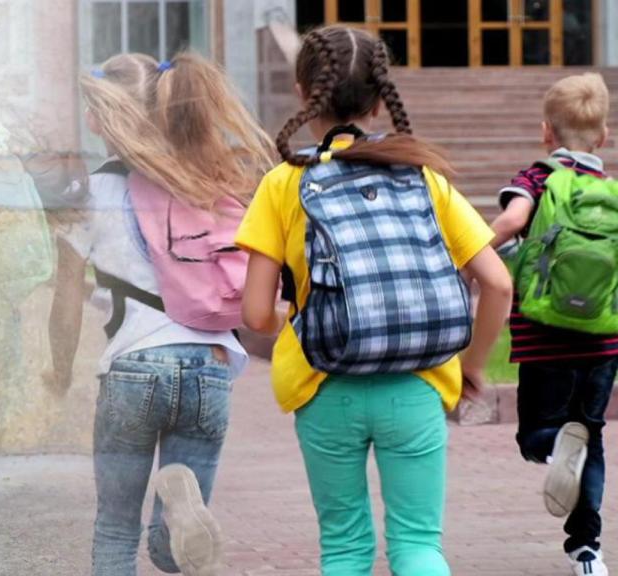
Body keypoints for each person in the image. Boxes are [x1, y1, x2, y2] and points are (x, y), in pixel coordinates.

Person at [238, 26, 512, 575]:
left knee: (344, 548)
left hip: (323, 384)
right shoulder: (421, 175)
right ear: (379, 98)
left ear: (302, 93)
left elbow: (254, 314)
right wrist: (472, 366)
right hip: (416, 384)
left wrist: (293, 321)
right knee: (418, 545)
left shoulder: (284, 183)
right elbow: (498, 283)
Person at [43, 52, 274, 575]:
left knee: (116, 529)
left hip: (134, 368)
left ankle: (175, 517)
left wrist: (60, 371)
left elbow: (66, 300)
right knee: (172, 554)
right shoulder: (206, 179)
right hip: (212, 362)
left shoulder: (92, 192)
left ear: (99, 117)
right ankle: (179, 514)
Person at [490, 72, 615, 575]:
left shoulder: (537, 178)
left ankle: (552, 446)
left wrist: (467, 256)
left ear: (547, 132)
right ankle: (587, 552)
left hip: (544, 339)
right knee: (591, 437)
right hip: (602, 341)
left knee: (536, 437)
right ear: (603, 136)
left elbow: (512, 222)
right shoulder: (607, 189)